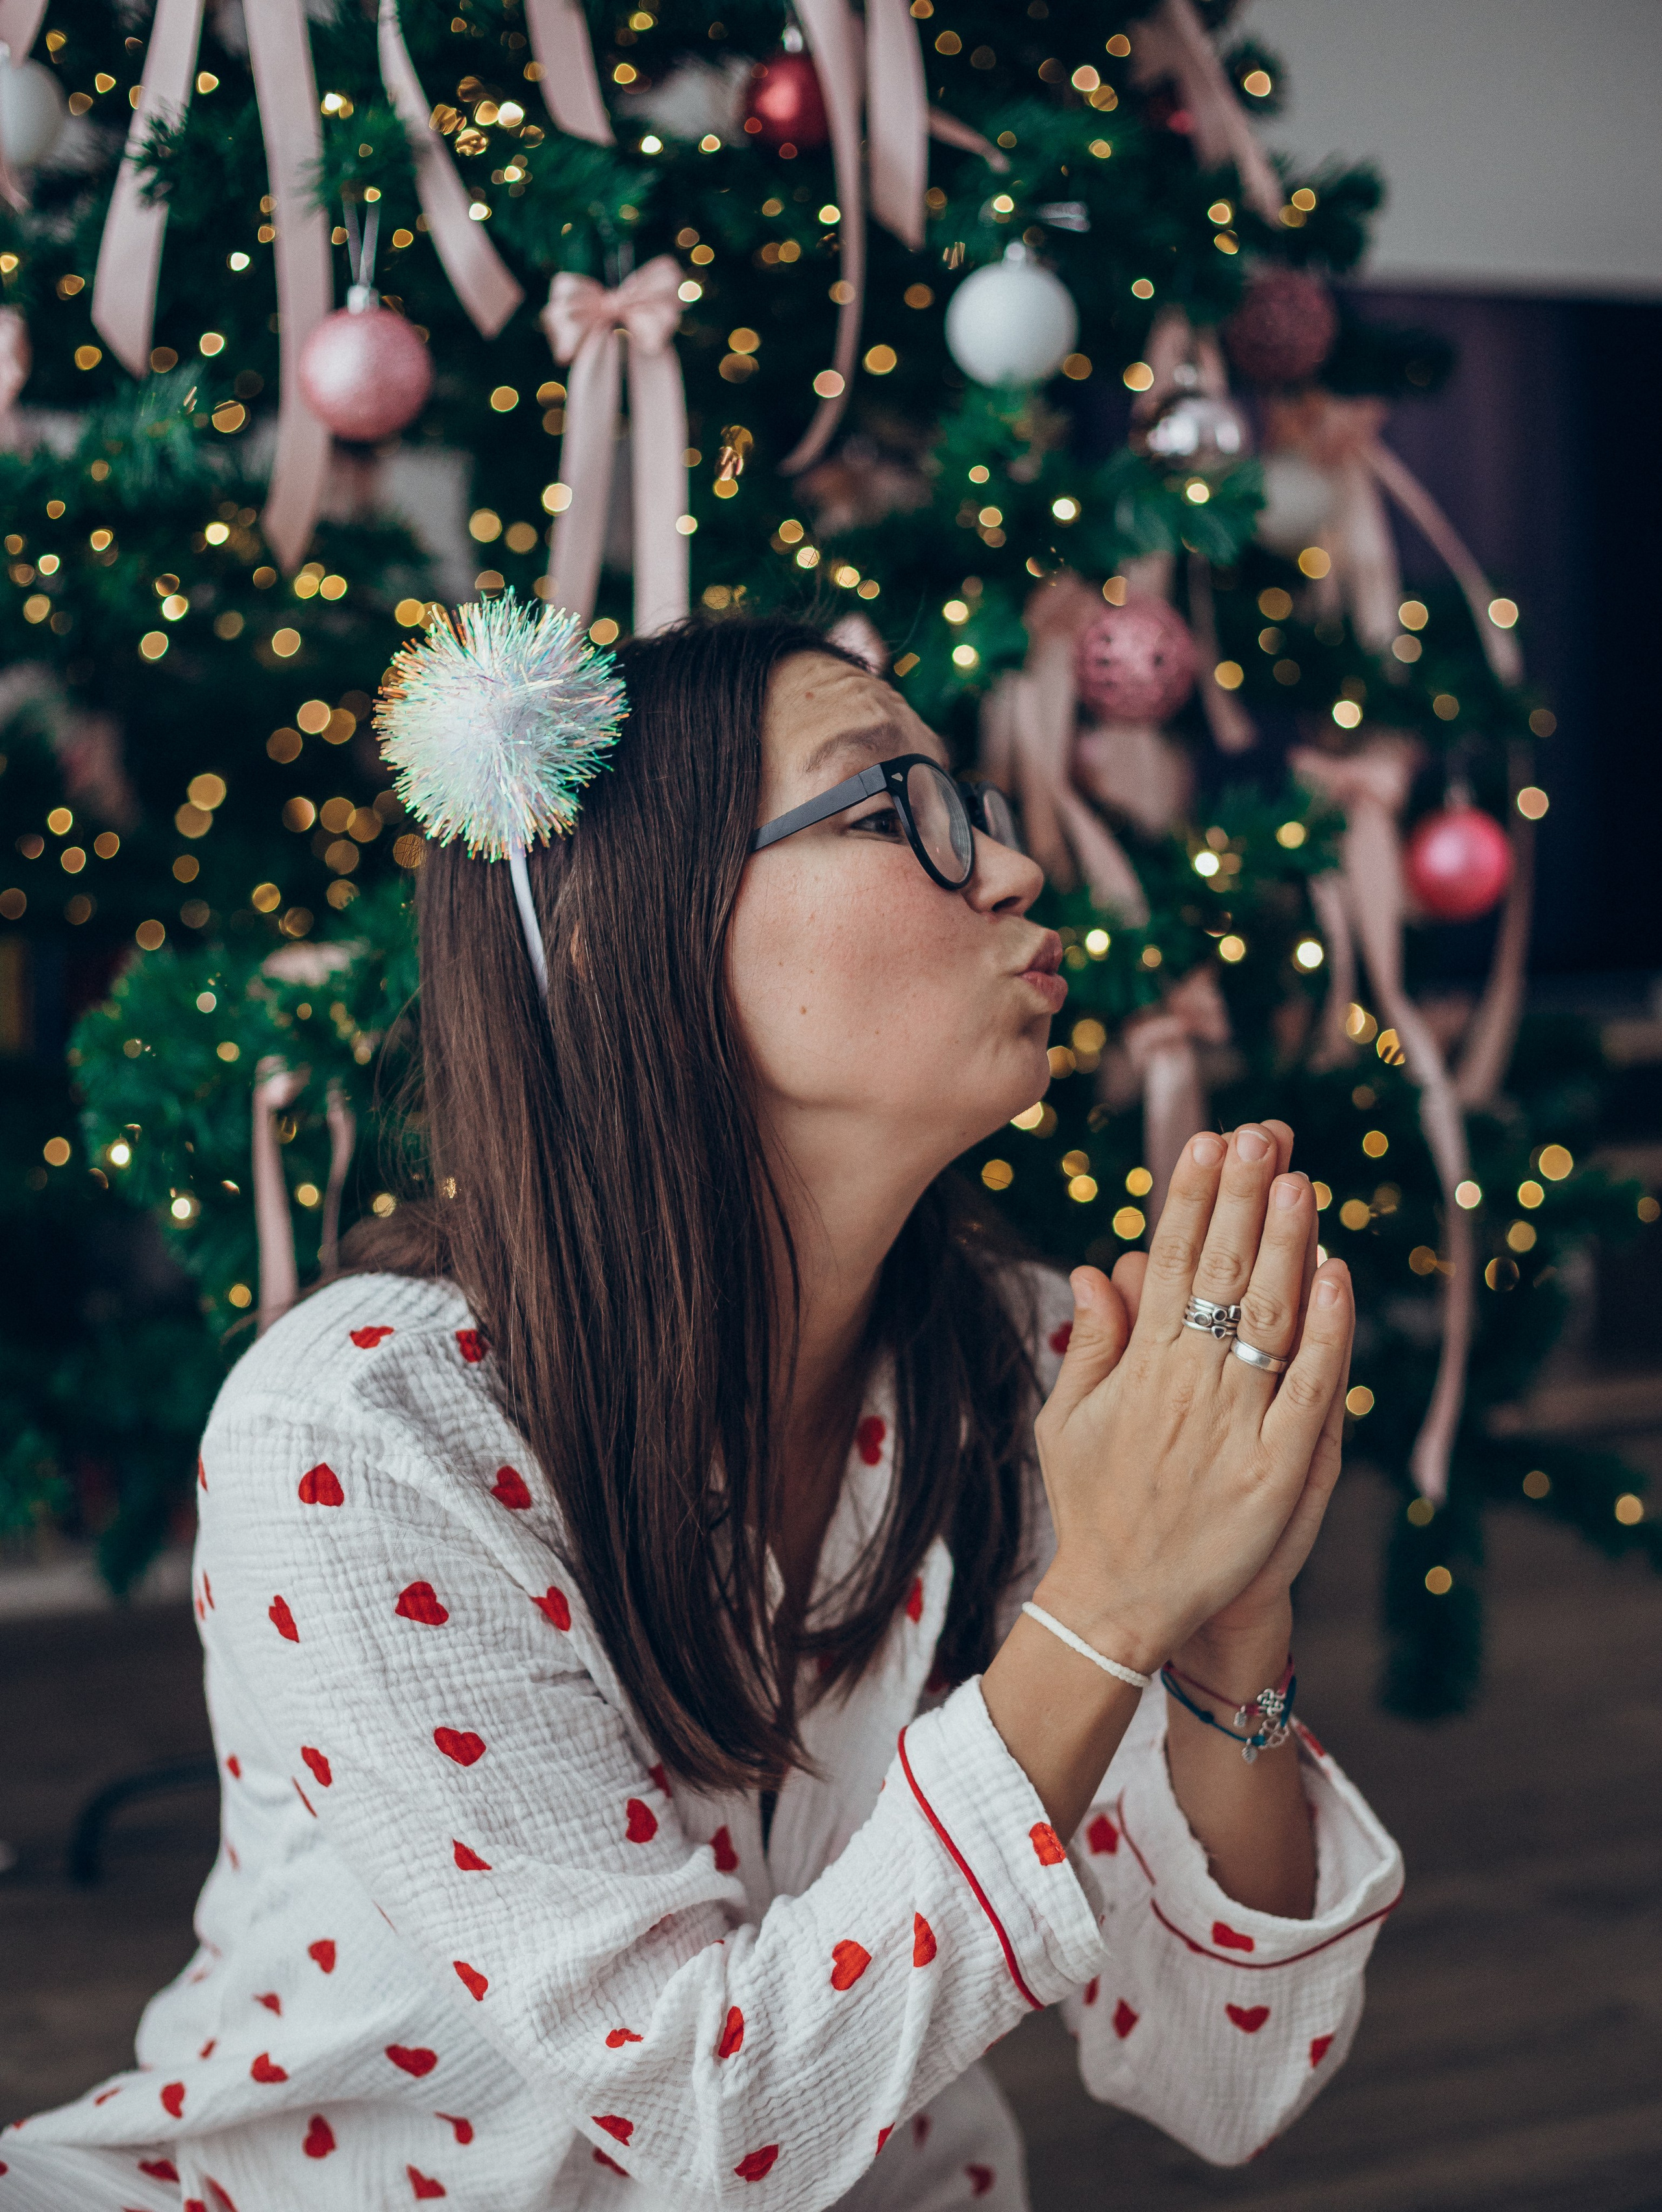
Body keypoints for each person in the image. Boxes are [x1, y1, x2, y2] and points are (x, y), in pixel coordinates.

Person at [5, 614, 1400, 2211]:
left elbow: (1224, 2076)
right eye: (892, 812)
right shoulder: (358, 1436)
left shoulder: (1017, 1369)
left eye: (984, 816)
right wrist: (1102, 1614)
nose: (1010, 875)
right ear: (612, 931)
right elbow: (706, 2119)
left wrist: (1226, 1627)